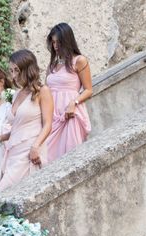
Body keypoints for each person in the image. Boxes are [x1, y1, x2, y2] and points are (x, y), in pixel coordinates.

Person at [0, 49, 53, 190]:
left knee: (2, 192)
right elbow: (17, 127)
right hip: (13, 151)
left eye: (16, 70)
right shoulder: (16, 94)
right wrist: (1, 137)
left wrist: (35, 147)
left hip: (30, 150)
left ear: (27, 69)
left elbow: (48, 124)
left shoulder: (42, 91)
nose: (13, 76)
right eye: (11, 71)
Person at [45, 22, 92, 162]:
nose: (55, 46)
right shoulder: (52, 65)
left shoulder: (79, 61)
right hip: (52, 115)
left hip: (70, 113)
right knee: (48, 157)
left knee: (71, 156)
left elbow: (89, 90)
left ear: (67, 40)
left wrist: (74, 102)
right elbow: (45, 90)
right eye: (53, 42)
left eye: (58, 42)